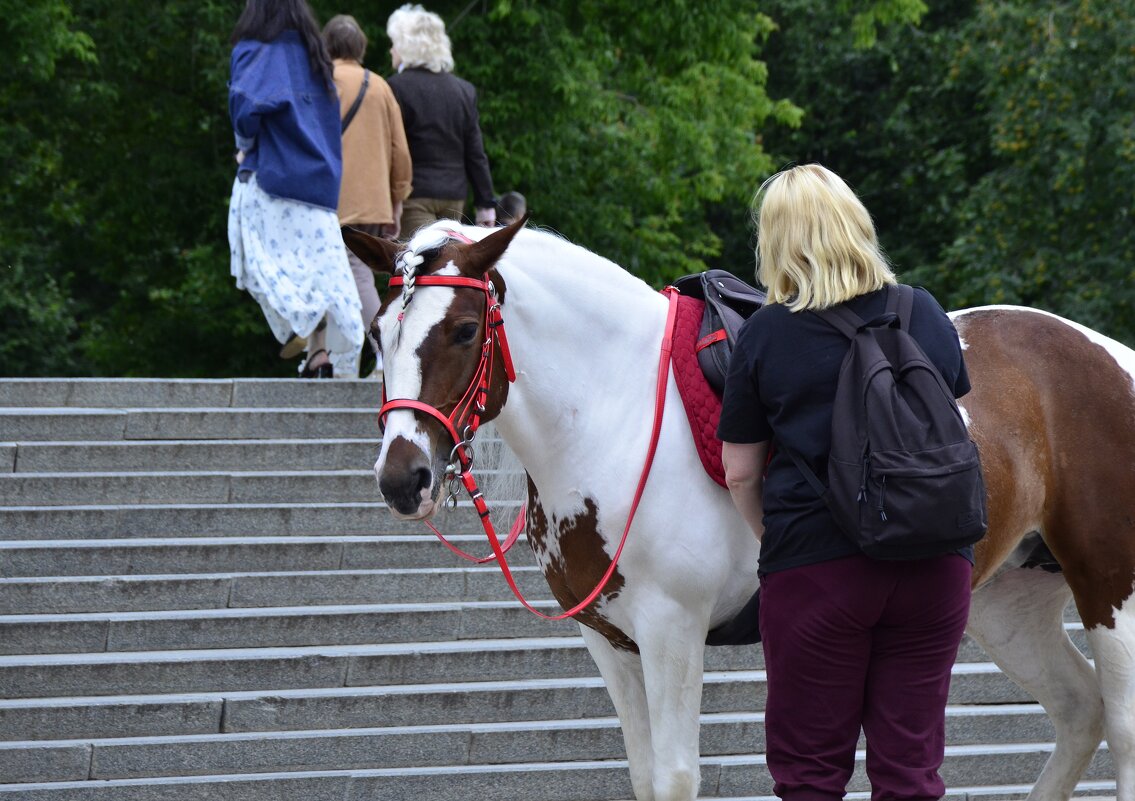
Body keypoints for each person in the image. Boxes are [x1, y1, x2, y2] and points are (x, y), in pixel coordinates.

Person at [717, 164, 973, 801]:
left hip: (817, 569)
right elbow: (957, 423)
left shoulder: (768, 333)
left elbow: (740, 469)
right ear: (857, 226)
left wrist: (776, 542)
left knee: (810, 775)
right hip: (936, 565)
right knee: (912, 773)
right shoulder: (925, 311)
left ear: (776, 241)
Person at [227, 0, 364, 379]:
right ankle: (317, 354)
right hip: (319, 186)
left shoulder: (256, 52)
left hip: (273, 179)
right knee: (317, 271)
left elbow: (245, 107)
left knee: (253, 260)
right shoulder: (315, 56)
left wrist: (244, 143)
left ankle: (295, 324)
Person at [322, 13, 413, 379]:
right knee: (355, 273)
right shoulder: (380, 87)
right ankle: (339, 356)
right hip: (374, 200)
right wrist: (397, 200)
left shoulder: (321, 82)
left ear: (326, 46)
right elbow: (399, 151)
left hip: (330, 197)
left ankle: (384, 348)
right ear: (360, 47)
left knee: (351, 272)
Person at [385, 4, 496, 235]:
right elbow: (475, 153)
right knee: (447, 268)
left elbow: (390, 150)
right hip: (454, 199)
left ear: (407, 46)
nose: (391, 50)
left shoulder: (396, 88)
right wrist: (486, 204)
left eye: (394, 43)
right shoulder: (463, 91)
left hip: (413, 198)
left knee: (416, 267)